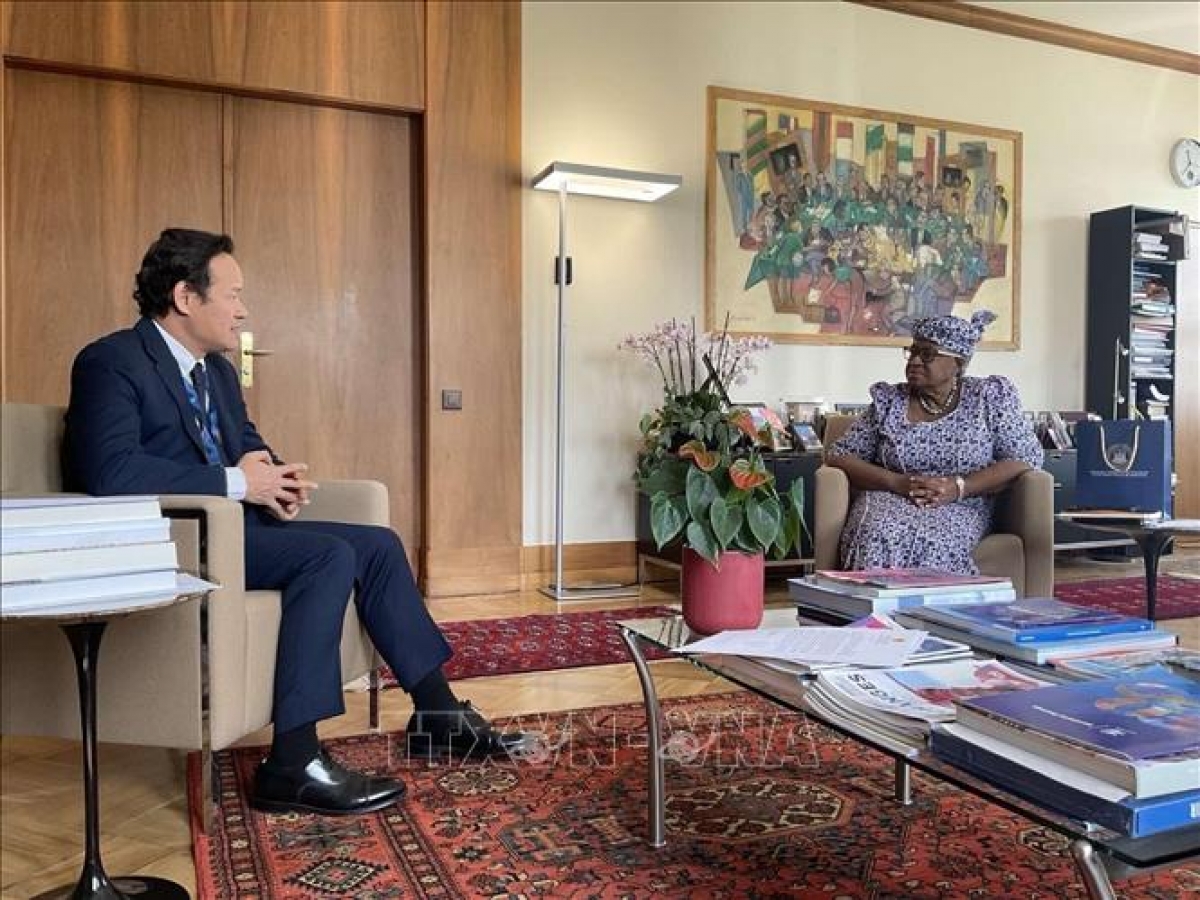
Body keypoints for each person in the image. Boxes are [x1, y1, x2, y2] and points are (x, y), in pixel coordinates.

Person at [64, 229, 527, 817]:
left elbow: (248, 449)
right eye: (232, 294)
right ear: (185, 296)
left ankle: (436, 712)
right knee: (327, 554)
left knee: (377, 545)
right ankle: (293, 762)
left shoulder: (218, 375)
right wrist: (239, 483)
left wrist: (277, 484)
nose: (243, 308)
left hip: (236, 533)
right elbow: (112, 473)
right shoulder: (112, 361)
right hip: (172, 543)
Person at [825, 309, 1043, 574]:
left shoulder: (989, 397)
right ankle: (871, 615)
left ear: (958, 363)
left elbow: (1025, 457)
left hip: (960, 503)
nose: (915, 361)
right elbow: (839, 455)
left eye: (927, 354)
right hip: (890, 497)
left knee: (935, 542)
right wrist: (896, 482)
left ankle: (932, 615)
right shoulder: (890, 401)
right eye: (912, 351)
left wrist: (960, 487)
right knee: (874, 534)